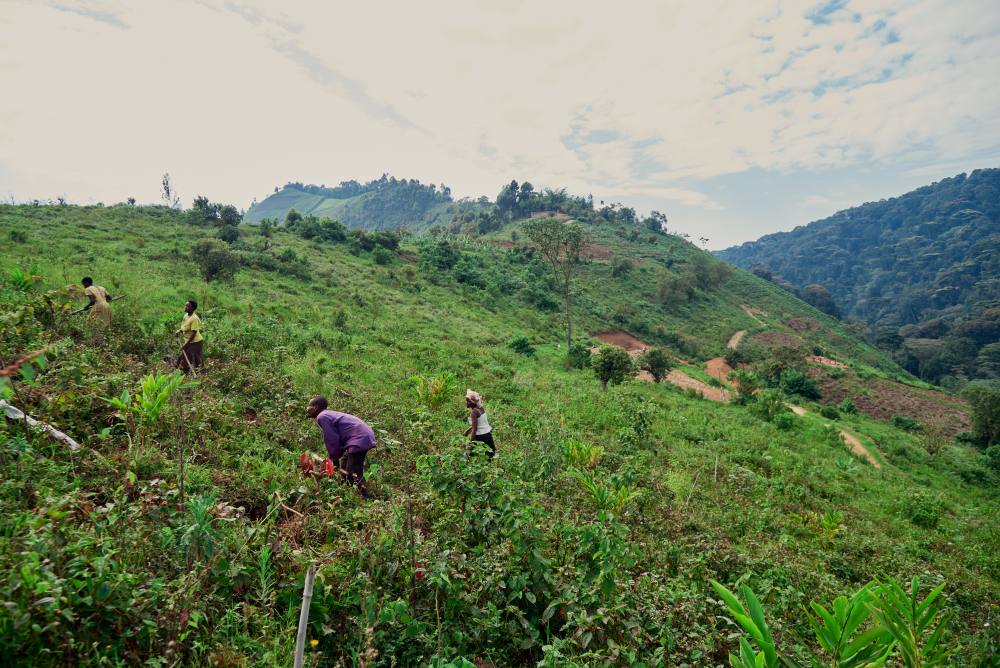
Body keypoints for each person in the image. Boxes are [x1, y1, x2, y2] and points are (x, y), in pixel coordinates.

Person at [307, 396, 376, 498]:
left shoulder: (322, 416)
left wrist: (333, 459)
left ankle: (367, 498)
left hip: (359, 438)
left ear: (315, 407)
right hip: (363, 435)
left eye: (309, 406)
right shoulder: (327, 414)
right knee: (344, 468)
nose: (307, 408)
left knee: (352, 472)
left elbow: (332, 439)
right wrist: (335, 459)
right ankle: (346, 495)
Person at [463, 389, 495, 458]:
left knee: (469, 456)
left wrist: (471, 443)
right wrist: (467, 431)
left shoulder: (474, 412)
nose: (466, 402)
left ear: (472, 402)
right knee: (490, 456)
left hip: (480, 437)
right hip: (488, 436)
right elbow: (479, 424)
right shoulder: (480, 408)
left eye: (468, 401)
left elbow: (475, 429)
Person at [174, 300, 203, 373]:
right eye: (185, 305)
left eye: (187, 306)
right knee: (183, 356)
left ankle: (198, 373)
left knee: (196, 359)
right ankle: (181, 371)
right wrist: (179, 331)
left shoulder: (194, 319)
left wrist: (186, 345)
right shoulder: (186, 316)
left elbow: (194, 333)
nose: (185, 307)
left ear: (192, 308)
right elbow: (184, 326)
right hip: (188, 341)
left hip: (196, 342)